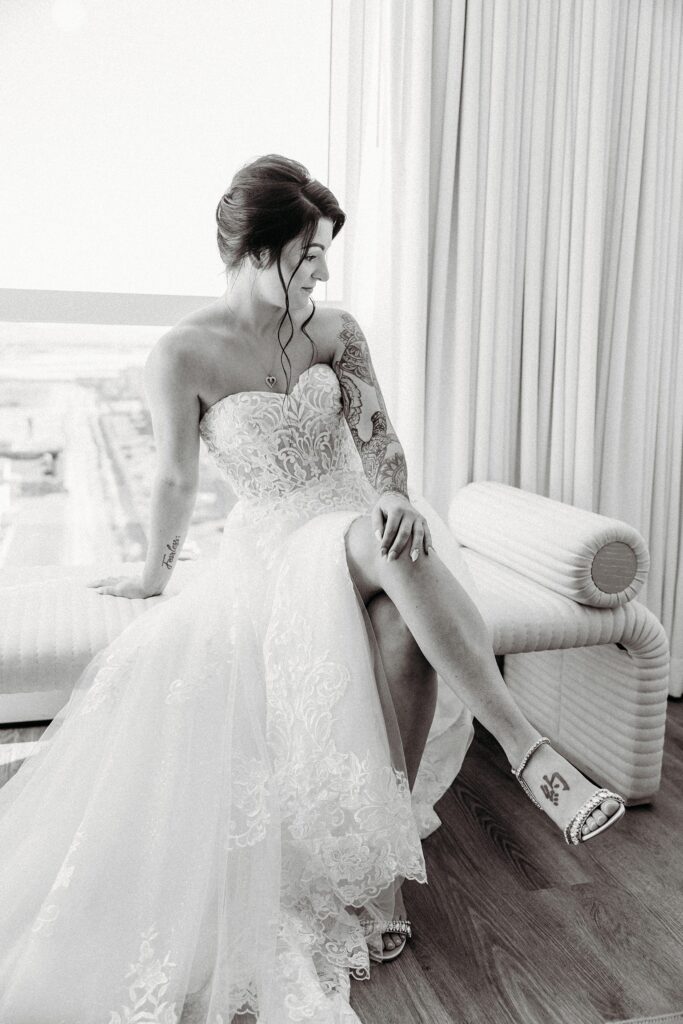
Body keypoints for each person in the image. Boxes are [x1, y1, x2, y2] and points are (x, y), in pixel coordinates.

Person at [0, 154, 625, 1024]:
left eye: (325, 253)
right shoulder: (182, 352)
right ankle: (520, 751)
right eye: (308, 253)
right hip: (277, 545)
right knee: (388, 574)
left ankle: (393, 864)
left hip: (368, 531)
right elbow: (175, 480)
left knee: (397, 590)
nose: (323, 271)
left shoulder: (336, 332)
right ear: (256, 250)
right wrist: (152, 575)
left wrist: (399, 491)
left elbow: (380, 442)